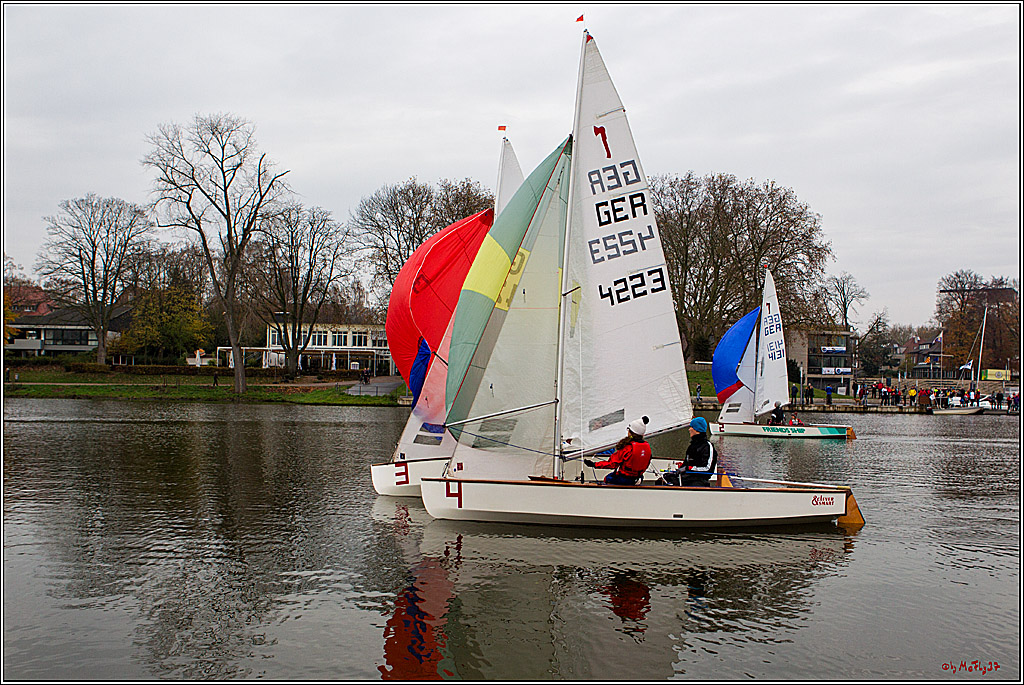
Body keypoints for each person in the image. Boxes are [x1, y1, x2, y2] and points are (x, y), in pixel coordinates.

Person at [584, 416, 651, 485]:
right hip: (638, 478)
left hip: (624, 479)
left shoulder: (628, 448)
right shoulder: (647, 447)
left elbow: (612, 464)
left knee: (607, 478)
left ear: (630, 432)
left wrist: (594, 464)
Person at [658, 417, 717, 487]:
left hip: (699, 480)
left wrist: (688, 468)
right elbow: (686, 464)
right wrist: (677, 472)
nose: (689, 429)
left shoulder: (707, 446)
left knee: (692, 485)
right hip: (687, 478)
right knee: (662, 480)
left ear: (697, 429)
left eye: (691, 427)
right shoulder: (692, 446)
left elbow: (707, 468)